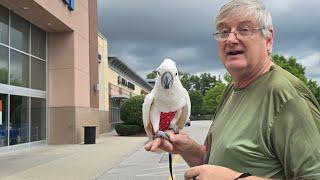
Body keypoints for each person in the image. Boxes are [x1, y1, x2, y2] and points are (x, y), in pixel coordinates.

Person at [144, 0, 320, 179]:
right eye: (223, 31)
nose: (230, 39)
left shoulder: (288, 97)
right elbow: (215, 166)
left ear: (268, 39)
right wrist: (189, 149)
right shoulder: (231, 90)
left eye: (244, 29)